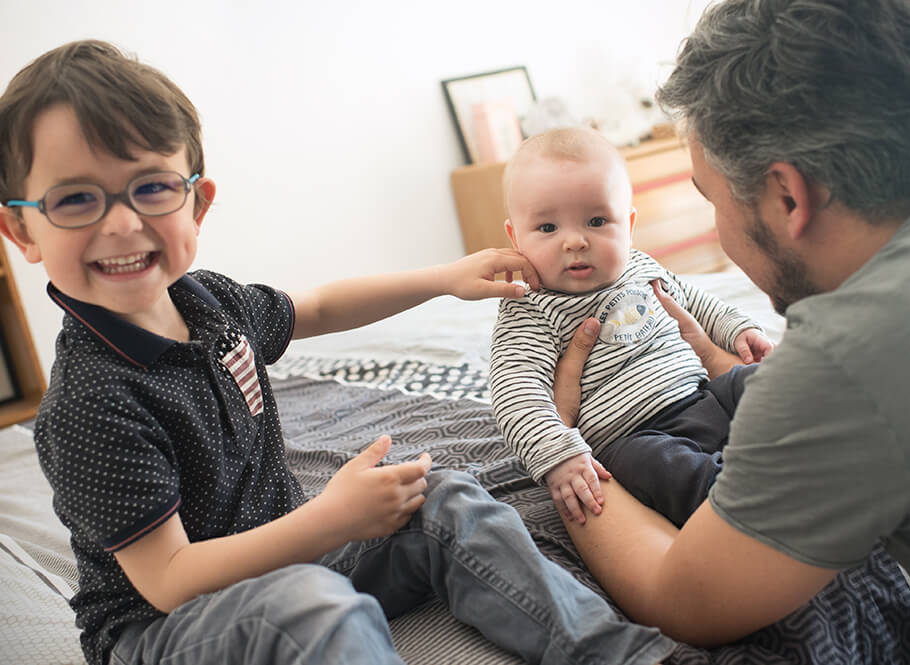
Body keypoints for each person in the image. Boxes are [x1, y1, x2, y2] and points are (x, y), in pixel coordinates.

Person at [0, 41, 675, 665]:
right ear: (20, 229)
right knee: (314, 612)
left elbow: (318, 307)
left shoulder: (209, 303)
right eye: (76, 199)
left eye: (150, 187)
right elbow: (172, 579)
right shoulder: (90, 403)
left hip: (287, 558)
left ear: (197, 202)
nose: (122, 221)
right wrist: (330, 518)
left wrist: (443, 278)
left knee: (440, 496)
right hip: (164, 628)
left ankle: (621, 653)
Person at [549, 0, 910, 650]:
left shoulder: (848, 357)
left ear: (788, 195)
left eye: (712, 200)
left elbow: (684, 596)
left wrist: (562, 444)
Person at [490, 127, 773, 526]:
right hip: (636, 437)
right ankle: (745, 504)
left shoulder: (639, 267)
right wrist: (558, 454)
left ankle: (820, 441)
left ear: (629, 223)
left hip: (705, 396)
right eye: (548, 228)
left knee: (767, 382)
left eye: (596, 220)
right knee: (666, 469)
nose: (574, 241)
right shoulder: (529, 308)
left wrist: (739, 331)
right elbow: (516, 393)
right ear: (514, 236)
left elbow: (695, 301)